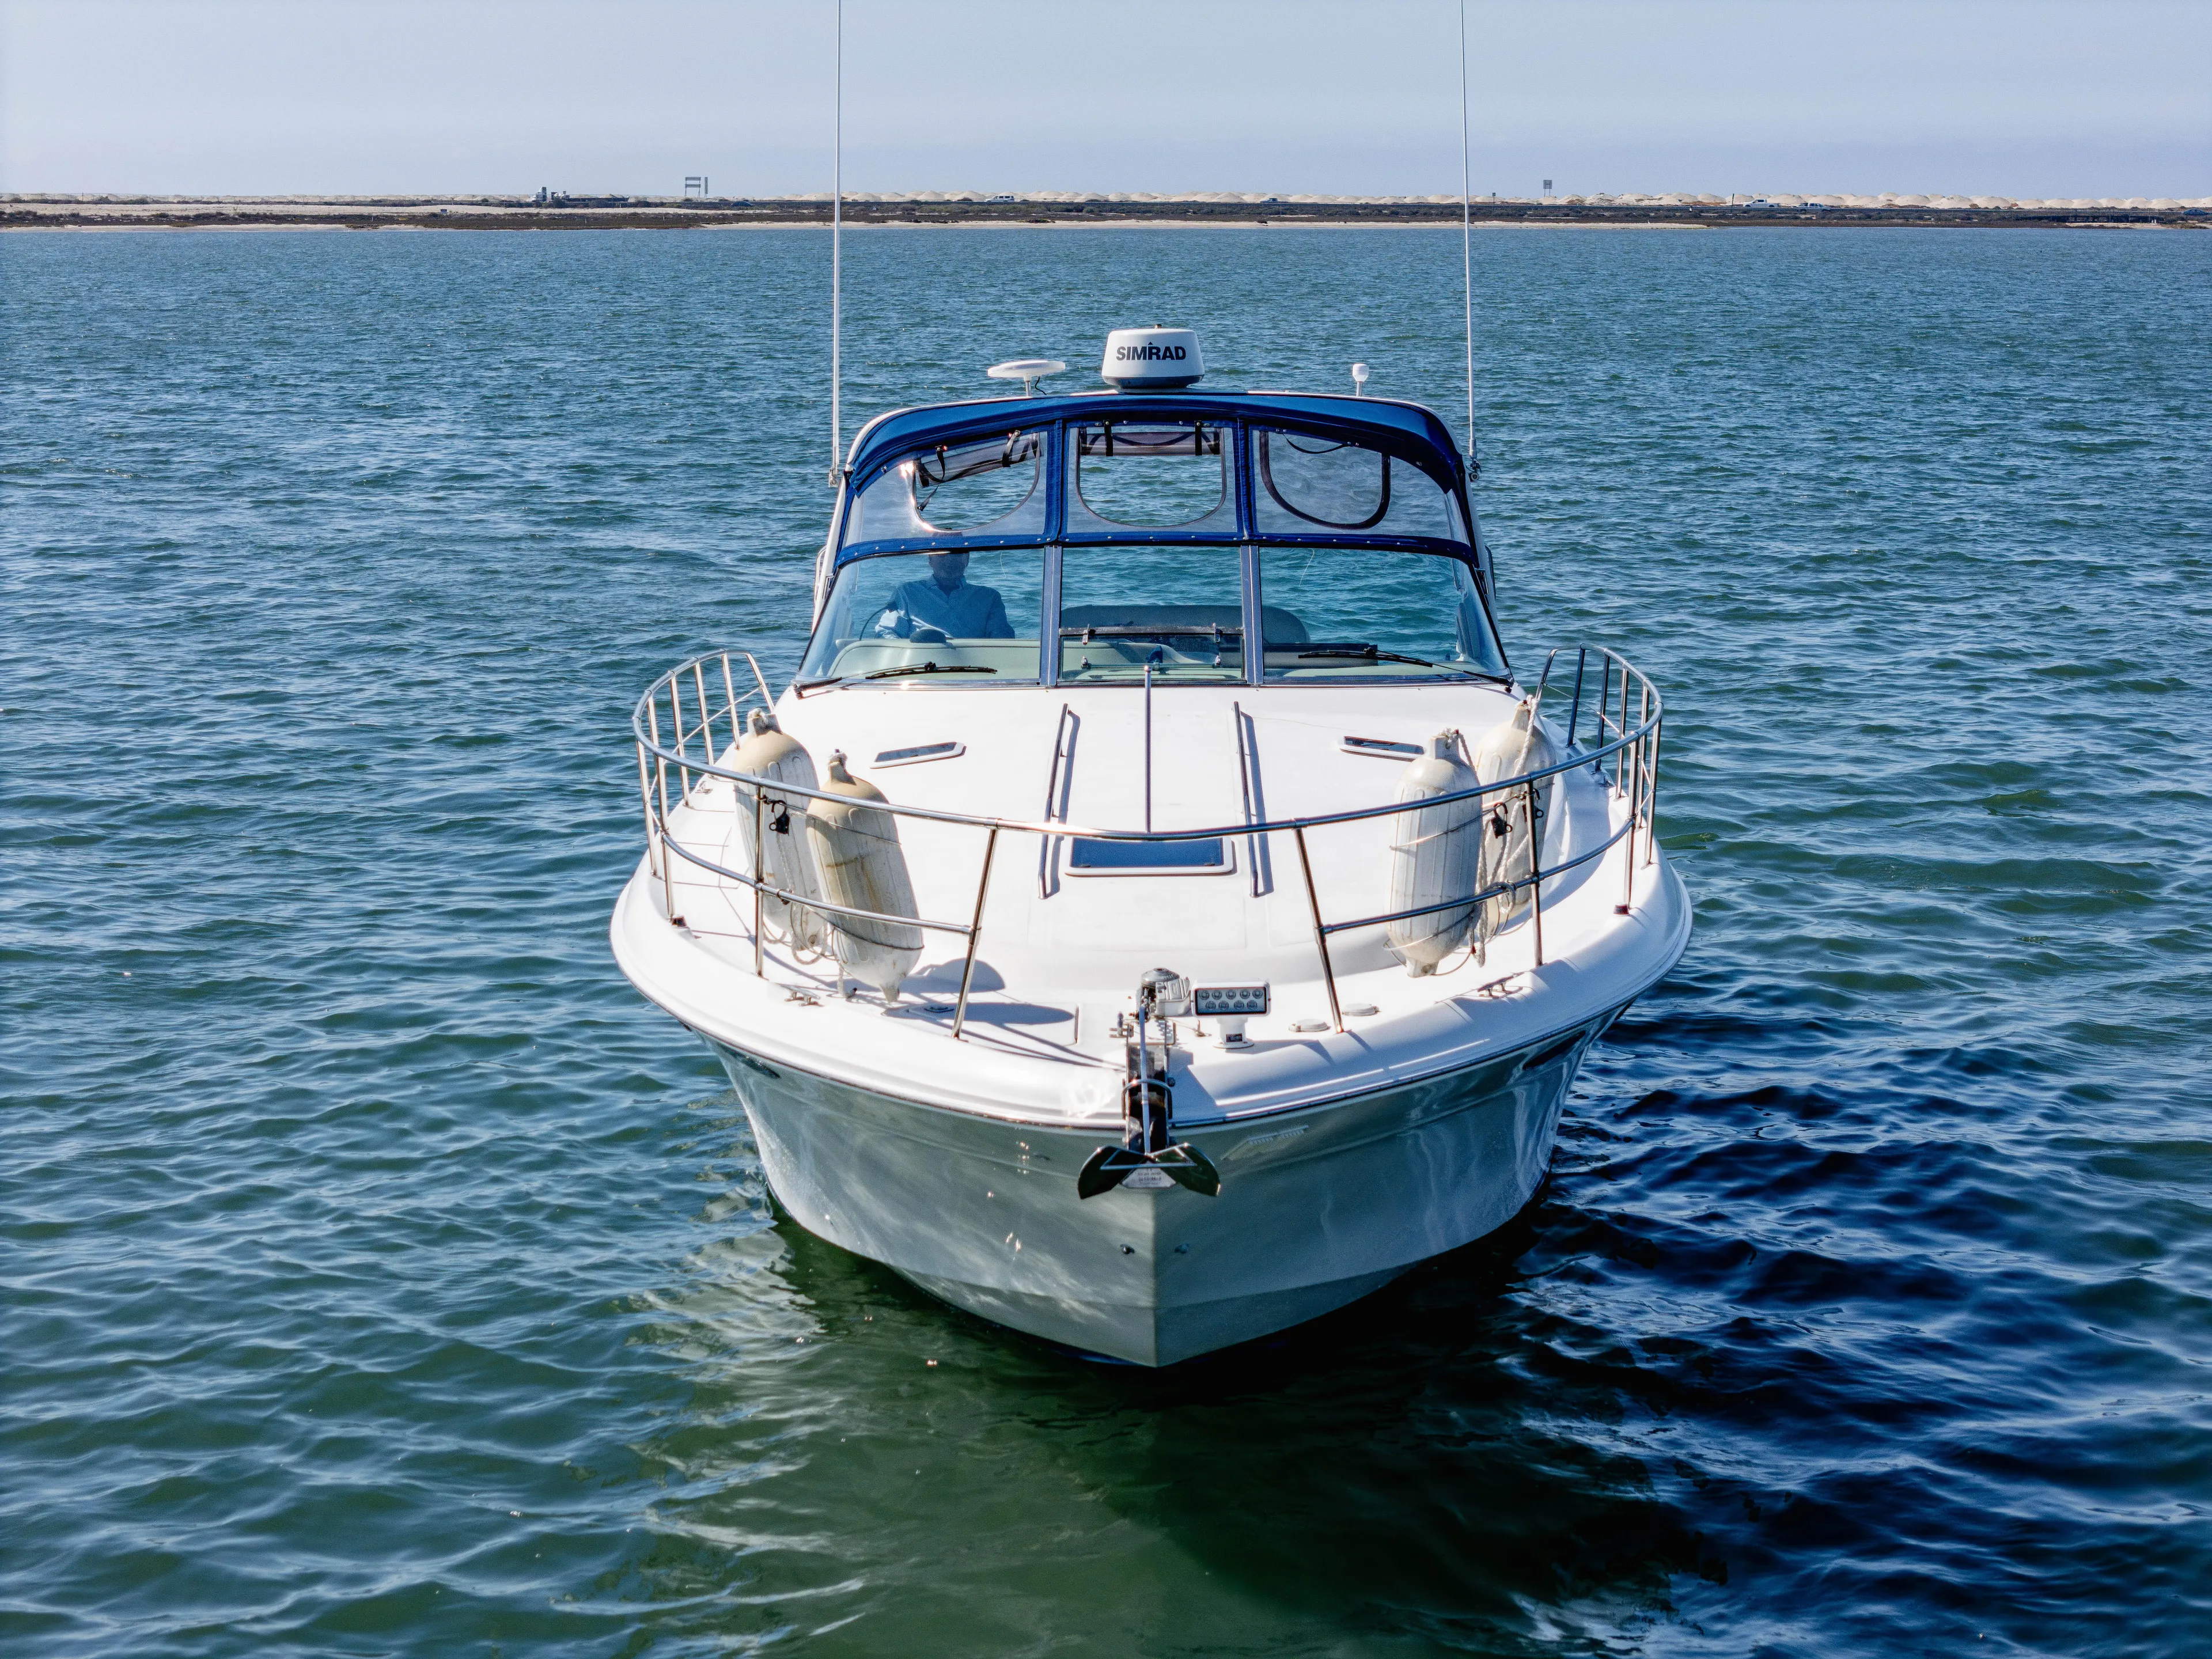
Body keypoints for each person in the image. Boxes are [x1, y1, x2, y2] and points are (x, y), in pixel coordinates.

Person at [870, 552, 1013, 640]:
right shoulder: (906, 592)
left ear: (967, 559)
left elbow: (1002, 641)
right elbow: (886, 633)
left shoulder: (989, 597)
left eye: (956, 553)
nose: (950, 560)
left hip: (976, 671)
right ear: (930, 559)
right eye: (942, 553)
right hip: (920, 670)